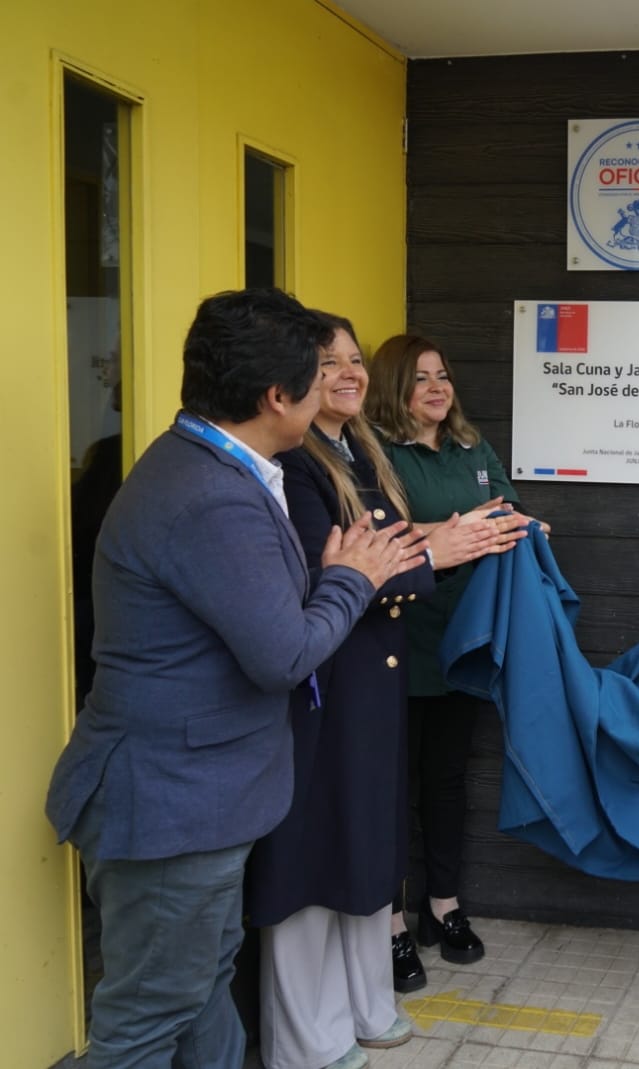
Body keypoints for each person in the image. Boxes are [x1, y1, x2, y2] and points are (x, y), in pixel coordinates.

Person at [44, 288, 428, 1069]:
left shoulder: (220, 464)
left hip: (200, 801)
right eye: (317, 378)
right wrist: (350, 577)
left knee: (201, 989)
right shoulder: (208, 495)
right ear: (275, 397)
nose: (333, 389)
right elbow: (284, 653)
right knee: (147, 1019)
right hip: (171, 805)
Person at [246, 316, 523, 1069]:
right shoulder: (293, 465)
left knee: (365, 840)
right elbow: (330, 571)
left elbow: (383, 548)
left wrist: (441, 539)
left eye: (353, 359)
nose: (346, 372)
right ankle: (308, 1037)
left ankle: (367, 1003)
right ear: (289, 381)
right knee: (313, 851)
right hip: (322, 680)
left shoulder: (355, 447)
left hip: (370, 671)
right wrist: (432, 550)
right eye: (326, 362)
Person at [365, 333, 535, 992]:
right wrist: (458, 535)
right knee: (391, 787)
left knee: (447, 779)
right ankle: (389, 924)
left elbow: (507, 511)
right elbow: (388, 541)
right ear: (393, 387)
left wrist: (525, 526)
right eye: (421, 378)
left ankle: (443, 907)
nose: (438, 388)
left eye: (443, 375)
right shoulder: (377, 455)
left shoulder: (473, 447)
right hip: (395, 644)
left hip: (461, 643)